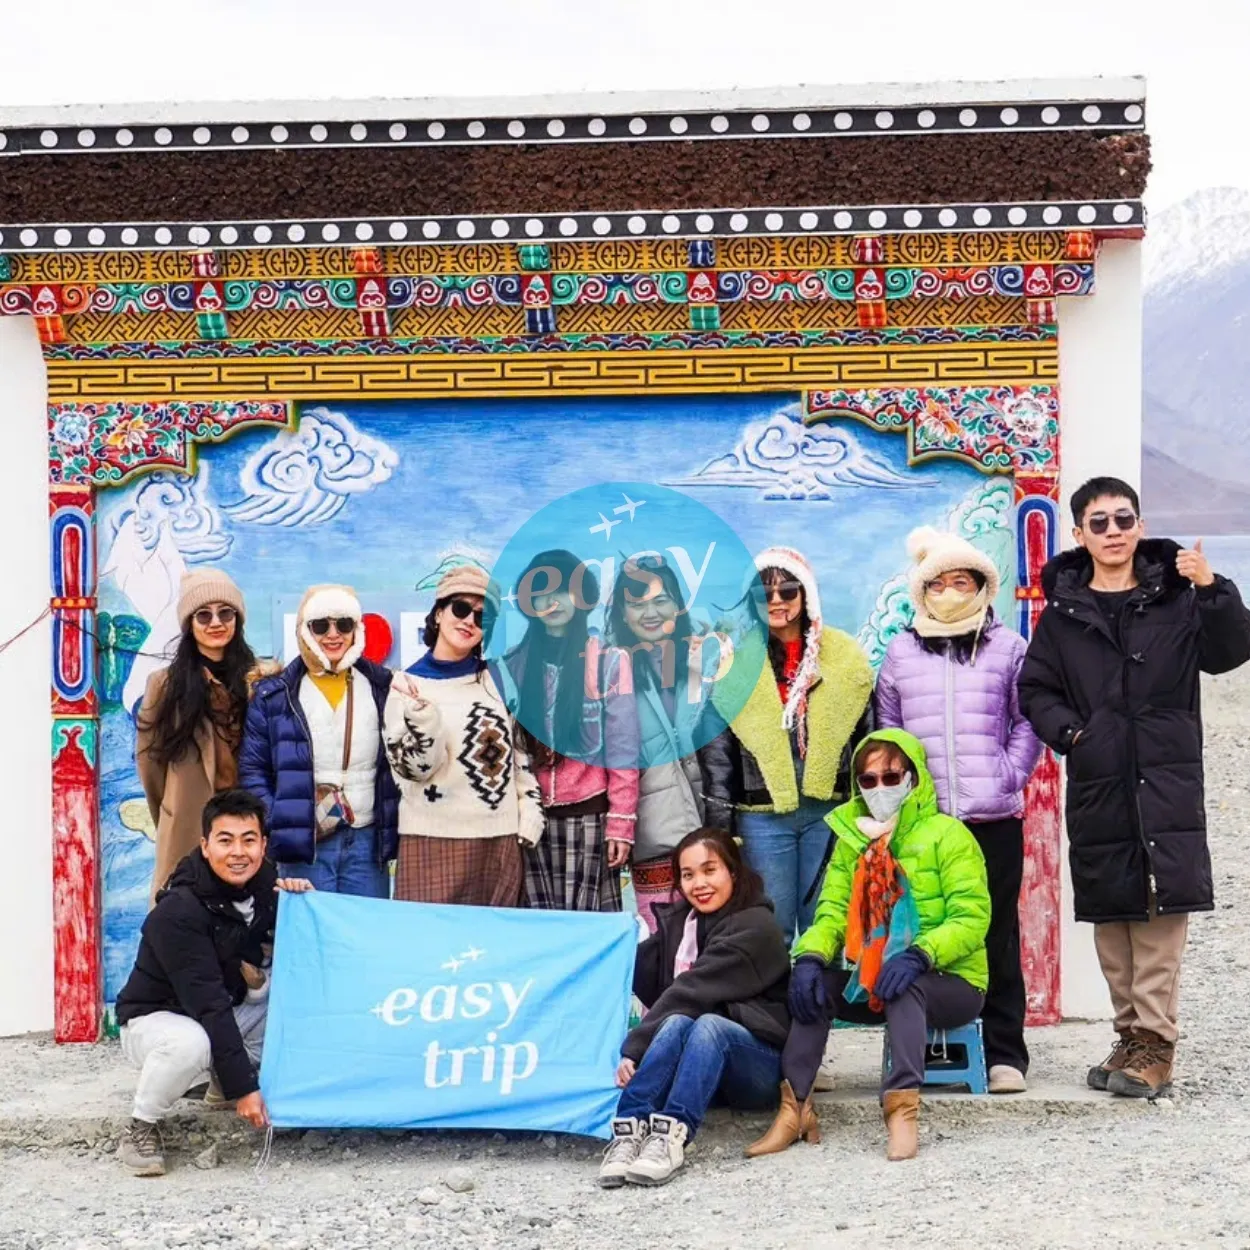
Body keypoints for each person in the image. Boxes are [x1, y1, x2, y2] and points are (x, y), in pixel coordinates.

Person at [1018, 477, 1250, 1099]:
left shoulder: (1177, 598)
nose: (1114, 531)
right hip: (1099, 780)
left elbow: (1232, 651)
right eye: (1099, 522)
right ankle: (1129, 1036)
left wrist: (1213, 589)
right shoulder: (1064, 616)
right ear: (1079, 535)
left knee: (1159, 910)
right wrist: (1075, 736)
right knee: (1112, 908)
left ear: (1140, 526)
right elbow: (1035, 689)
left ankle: (1156, 1042)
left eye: (1124, 519)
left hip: (1166, 777)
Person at [746, 729, 989, 1162]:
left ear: (914, 778)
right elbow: (831, 912)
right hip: (876, 979)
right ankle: (795, 1108)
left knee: (906, 984)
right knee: (816, 986)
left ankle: (901, 1110)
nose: (880, 788)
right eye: (869, 780)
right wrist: (810, 957)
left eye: (891, 777)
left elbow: (972, 918)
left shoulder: (948, 835)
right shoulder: (853, 841)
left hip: (952, 981)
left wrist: (921, 954)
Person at [874, 527, 1042, 1094]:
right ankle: (927, 1046)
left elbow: (1028, 720)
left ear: (981, 586)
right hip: (926, 825)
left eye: (961, 581)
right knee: (925, 931)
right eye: (938, 583)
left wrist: (1009, 774)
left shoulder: (1008, 648)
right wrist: (901, 803)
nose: (949, 592)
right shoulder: (901, 651)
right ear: (922, 591)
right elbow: (888, 732)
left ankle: (1005, 1053)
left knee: (996, 931)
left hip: (992, 817)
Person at [115, 788, 314, 1176]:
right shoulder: (180, 911)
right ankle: (140, 1126)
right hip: (156, 1019)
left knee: (296, 1000)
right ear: (205, 846)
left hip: (223, 1006)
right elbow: (210, 1006)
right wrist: (246, 1089)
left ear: (263, 845)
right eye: (225, 840)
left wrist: (301, 902)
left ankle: (221, 1082)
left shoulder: (264, 883)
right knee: (190, 1044)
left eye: (248, 840)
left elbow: (293, 953)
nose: (238, 852)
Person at [598, 828, 790, 1188]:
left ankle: (671, 1135)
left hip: (757, 1069)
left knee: (707, 1024)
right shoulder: (684, 922)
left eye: (709, 870)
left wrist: (635, 1047)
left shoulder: (755, 927)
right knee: (676, 1023)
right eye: (687, 875)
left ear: (733, 872)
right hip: (698, 1067)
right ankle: (629, 1131)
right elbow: (634, 968)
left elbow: (691, 990)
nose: (699, 884)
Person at [708, 546, 873, 941]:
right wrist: (720, 829)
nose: (776, 601)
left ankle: (822, 986)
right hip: (761, 816)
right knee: (772, 928)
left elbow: (868, 740)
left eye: (787, 591)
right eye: (764, 593)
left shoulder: (844, 656)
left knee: (828, 925)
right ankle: (775, 987)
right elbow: (719, 756)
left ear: (806, 594)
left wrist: (872, 814)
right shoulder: (735, 662)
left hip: (829, 811)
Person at [384, 561, 544, 905]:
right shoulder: (405, 685)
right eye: (460, 608)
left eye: (482, 617)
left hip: (499, 841)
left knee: (493, 939)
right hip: (430, 841)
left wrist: (531, 814)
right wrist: (425, 720)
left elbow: (520, 758)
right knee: (427, 938)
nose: (470, 621)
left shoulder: (500, 681)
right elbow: (415, 770)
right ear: (438, 614)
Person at [239, 585, 399, 897]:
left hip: (367, 843)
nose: (333, 634)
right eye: (321, 625)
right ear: (305, 630)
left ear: (356, 630)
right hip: (306, 845)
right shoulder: (274, 695)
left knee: (364, 927)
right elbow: (253, 770)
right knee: (310, 926)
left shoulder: (383, 687)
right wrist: (281, 820)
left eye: (344, 624)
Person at [503, 549, 639, 911]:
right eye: (542, 592)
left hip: (589, 818)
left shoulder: (610, 662)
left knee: (587, 928)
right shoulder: (511, 666)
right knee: (536, 930)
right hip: (526, 821)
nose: (553, 601)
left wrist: (621, 823)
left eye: (563, 590)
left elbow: (624, 749)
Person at [605, 556, 734, 932]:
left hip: (710, 832)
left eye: (661, 600)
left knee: (714, 945)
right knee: (664, 946)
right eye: (637, 604)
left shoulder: (701, 664)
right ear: (623, 613)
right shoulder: (611, 671)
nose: (651, 613)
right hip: (654, 838)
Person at [136, 570, 269, 905]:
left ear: (238, 619)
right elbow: (150, 766)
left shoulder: (262, 680)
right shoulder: (165, 685)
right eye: (204, 615)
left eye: (225, 613)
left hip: (247, 825)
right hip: (190, 822)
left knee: (251, 920)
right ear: (189, 624)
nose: (216, 623)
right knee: (184, 916)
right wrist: (173, 811)